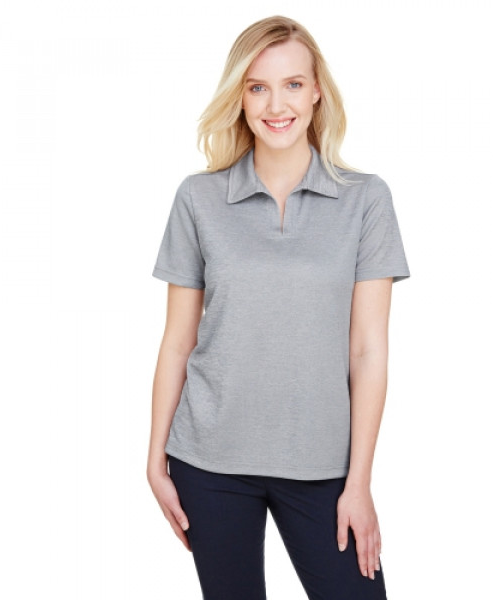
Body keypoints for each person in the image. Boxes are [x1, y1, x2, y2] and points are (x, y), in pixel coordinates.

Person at [147, 15, 410, 600]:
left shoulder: (366, 200)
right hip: (209, 461)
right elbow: (178, 341)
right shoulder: (199, 198)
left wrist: (359, 482)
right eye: (258, 87)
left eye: (293, 84)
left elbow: (367, 351)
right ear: (239, 97)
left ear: (317, 92)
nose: (276, 105)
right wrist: (153, 459)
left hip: (322, 465)